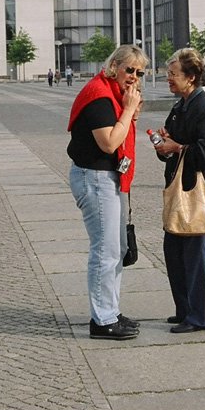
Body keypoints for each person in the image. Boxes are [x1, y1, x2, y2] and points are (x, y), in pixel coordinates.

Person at [67, 44, 147, 340]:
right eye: (129, 69)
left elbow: (123, 132)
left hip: (107, 177)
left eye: (139, 72)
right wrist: (127, 110)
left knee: (118, 249)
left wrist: (131, 112)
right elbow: (110, 143)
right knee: (106, 250)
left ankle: (110, 311)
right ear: (114, 65)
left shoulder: (112, 93)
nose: (134, 76)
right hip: (95, 177)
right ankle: (102, 320)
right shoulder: (99, 96)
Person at [154, 48, 205, 333]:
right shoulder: (180, 105)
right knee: (174, 251)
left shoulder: (203, 106)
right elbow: (172, 148)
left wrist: (177, 147)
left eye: (173, 75)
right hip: (178, 188)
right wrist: (165, 145)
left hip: (195, 192)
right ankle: (185, 310)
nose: (168, 79)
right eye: (168, 74)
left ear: (191, 77)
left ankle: (200, 316)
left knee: (194, 255)